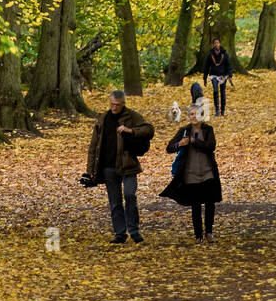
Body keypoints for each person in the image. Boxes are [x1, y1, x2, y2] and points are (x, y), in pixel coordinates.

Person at [83, 89, 154, 244]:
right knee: (115, 202)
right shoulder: (103, 118)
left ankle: (134, 230)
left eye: (117, 105)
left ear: (123, 104)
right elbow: (93, 146)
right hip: (108, 167)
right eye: (112, 104)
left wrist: (130, 130)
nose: (114, 108)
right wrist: (90, 171)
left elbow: (149, 129)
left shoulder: (132, 116)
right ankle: (120, 234)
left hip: (128, 165)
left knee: (130, 195)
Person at [160, 103, 222, 243]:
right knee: (195, 205)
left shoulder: (208, 129)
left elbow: (211, 146)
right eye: (191, 114)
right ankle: (198, 235)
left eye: (197, 114)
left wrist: (194, 141)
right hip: (190, 173)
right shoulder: (184, 130)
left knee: (210, 202)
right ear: (188, 116)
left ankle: (209, 232)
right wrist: (179, 144)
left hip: (207, 172)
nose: (194, 117)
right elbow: (169, 147)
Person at [203, 36, 233, 117]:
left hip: (223, 75)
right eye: (215, 43)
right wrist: (205, 78)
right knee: (215, 90)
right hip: (214, 75)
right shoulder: (210, 54)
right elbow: (206, 66)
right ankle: (217, 110)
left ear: (220, 44)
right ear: (213, 44)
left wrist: (230, 75)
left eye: (218, 43)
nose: (216, 44)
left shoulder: (224, 53)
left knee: (222, 93)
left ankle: (222, 110)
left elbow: (228, 65)